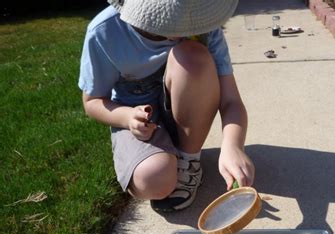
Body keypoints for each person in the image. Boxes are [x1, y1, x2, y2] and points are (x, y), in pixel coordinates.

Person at [79, 0, 255, 212]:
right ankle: (162, 157)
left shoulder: (203, 28)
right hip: (137, 119)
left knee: (192, 57)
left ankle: (188, 158)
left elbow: (231, 101)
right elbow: (92, 102)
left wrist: (233, 145)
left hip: (185, 114)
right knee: (153, 179)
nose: (185, 26)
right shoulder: (105, 32)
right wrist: (127, 117)